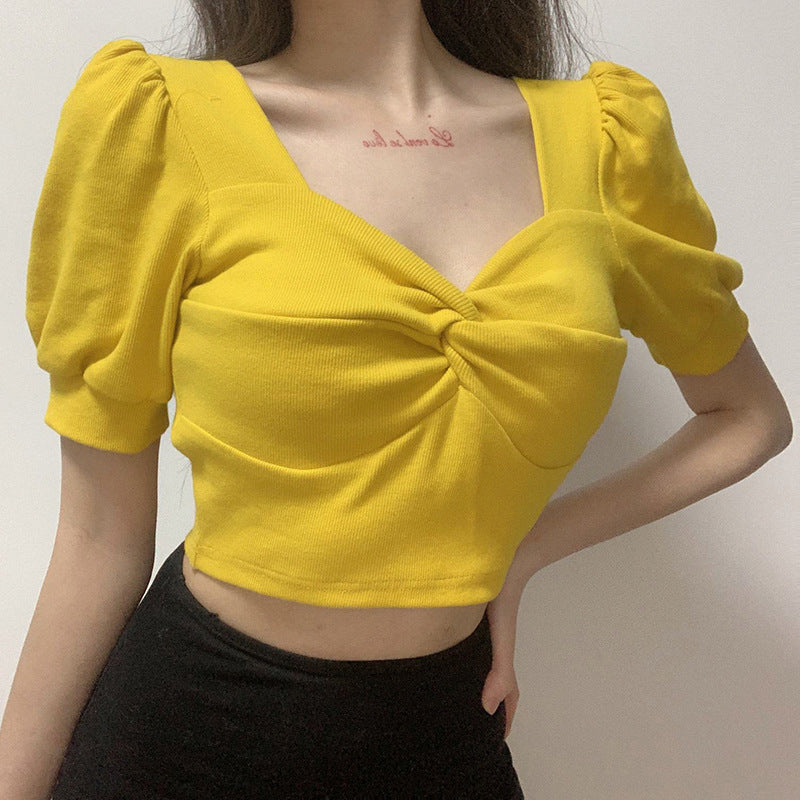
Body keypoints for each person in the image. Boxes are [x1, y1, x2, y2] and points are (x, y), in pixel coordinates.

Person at [2, 1, 792, 798]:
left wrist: (527, 549)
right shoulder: (159, 123)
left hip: (444, 731)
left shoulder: (607, 140)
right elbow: (99, 536)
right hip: (184, 732)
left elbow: (750, 417)